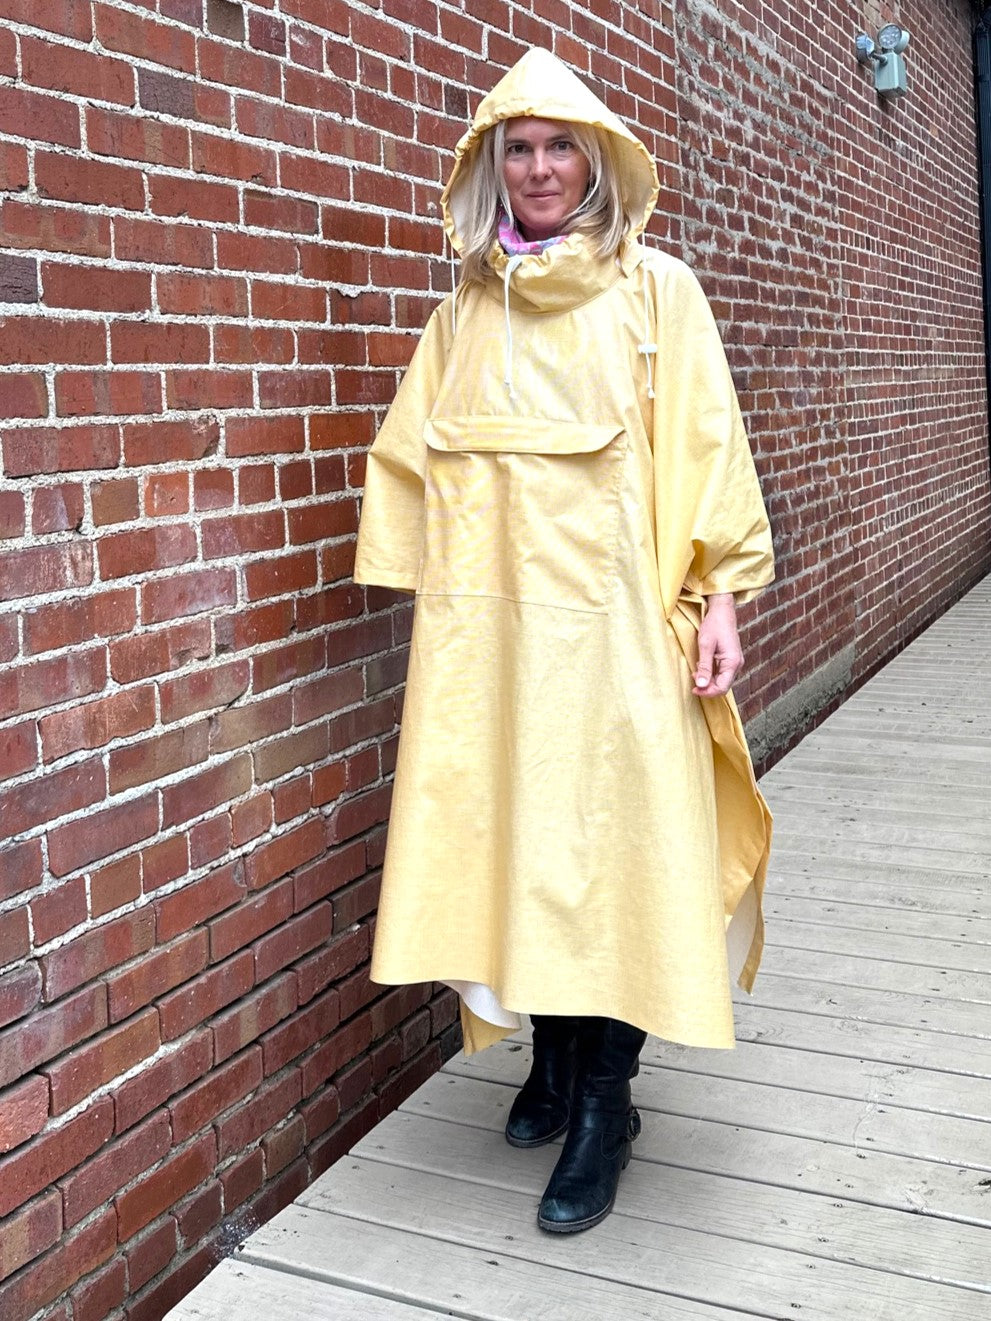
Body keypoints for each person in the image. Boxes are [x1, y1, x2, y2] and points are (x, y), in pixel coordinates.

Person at [353, 47, 774, 1234]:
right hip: (492, 643)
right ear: (495, 169)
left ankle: (606, 1102)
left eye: (559, 146)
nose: (539, 168)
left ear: (597, 163)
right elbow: (408, 462)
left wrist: (723, 598)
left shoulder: (658, 296)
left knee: (620, 854)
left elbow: (707, 447)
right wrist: (418, 589)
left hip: (622, 632)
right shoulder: (462, 313)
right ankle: (546, 1053)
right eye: (518, 149)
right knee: (519, 840)